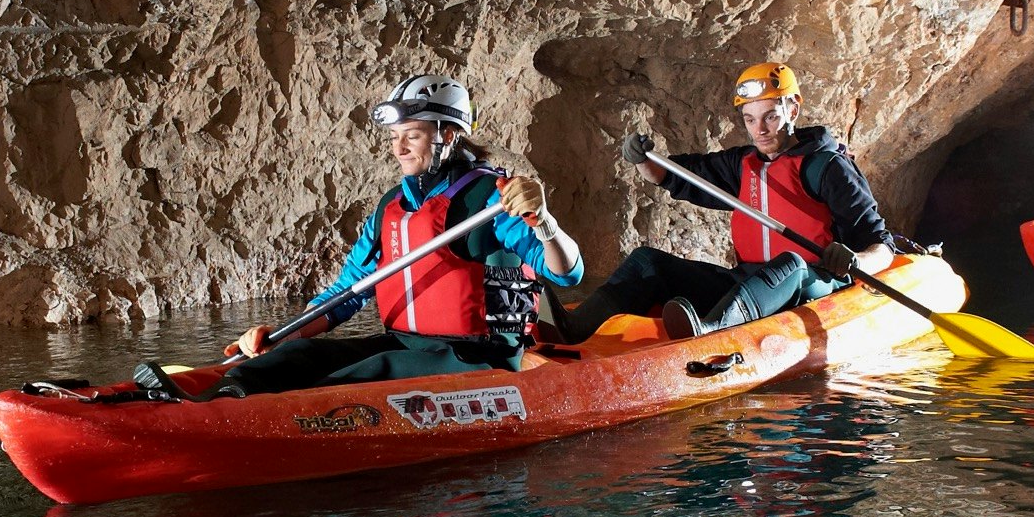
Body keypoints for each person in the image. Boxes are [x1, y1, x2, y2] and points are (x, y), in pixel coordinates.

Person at [136, 75, 583, 398]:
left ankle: (232, 414)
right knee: (297, 359)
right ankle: (216, 398)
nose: (399, 148)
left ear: (448, 136)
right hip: (405, 343)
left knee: (367, 372)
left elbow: (568, 273)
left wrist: (543, 221)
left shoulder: (493, 200)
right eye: (395, 137)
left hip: (478, 357)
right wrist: (284, 335)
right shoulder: (392, 206)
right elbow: (346, 294)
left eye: (412, 136)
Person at [557, 61, 896, 341]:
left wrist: (855, 259)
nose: (760, 129)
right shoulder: (742, 164)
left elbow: (882, 246)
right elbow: (674, 176)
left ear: (792, 109)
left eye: (770, 117)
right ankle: (574, 327)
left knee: (790, 263)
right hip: (748, 285)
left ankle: (712, 332)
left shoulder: (829, 167)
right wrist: (642, 158)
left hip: (812, 285)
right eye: (750, 119)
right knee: (647, 261)